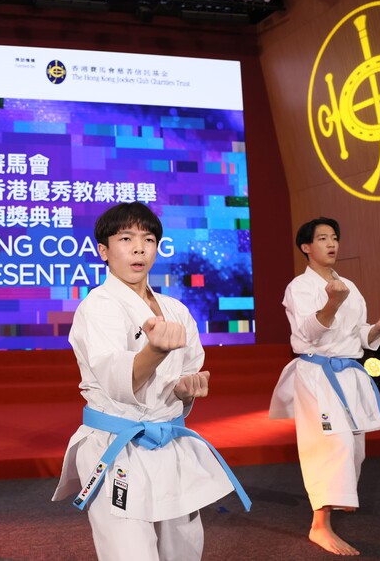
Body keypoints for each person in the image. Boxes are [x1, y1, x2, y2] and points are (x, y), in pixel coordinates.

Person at [52, 202, 250, 561]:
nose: (139, 248)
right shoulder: (97, 307)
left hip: (170, 441)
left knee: (184, 549)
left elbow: (186, 370)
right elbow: (116, 380)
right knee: (130, 553)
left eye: (148, 239)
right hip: (116, 446)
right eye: (126, 238)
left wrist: (185, 389)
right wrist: (154, 351)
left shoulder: (175, 309)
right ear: (104, 251)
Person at [269, 217, 380, 556]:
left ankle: (338, 496)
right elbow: (310, 334)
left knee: (355, 446)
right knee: (331, 444)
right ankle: (319, 525)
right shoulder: (299, 287)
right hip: (316, 372)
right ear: (306, 247)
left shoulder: (349, 286)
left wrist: (377, 327)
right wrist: (332, 304)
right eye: (323, 238)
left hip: (348, 373)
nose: (332, 244)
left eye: (335, 238)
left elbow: (359, 336)